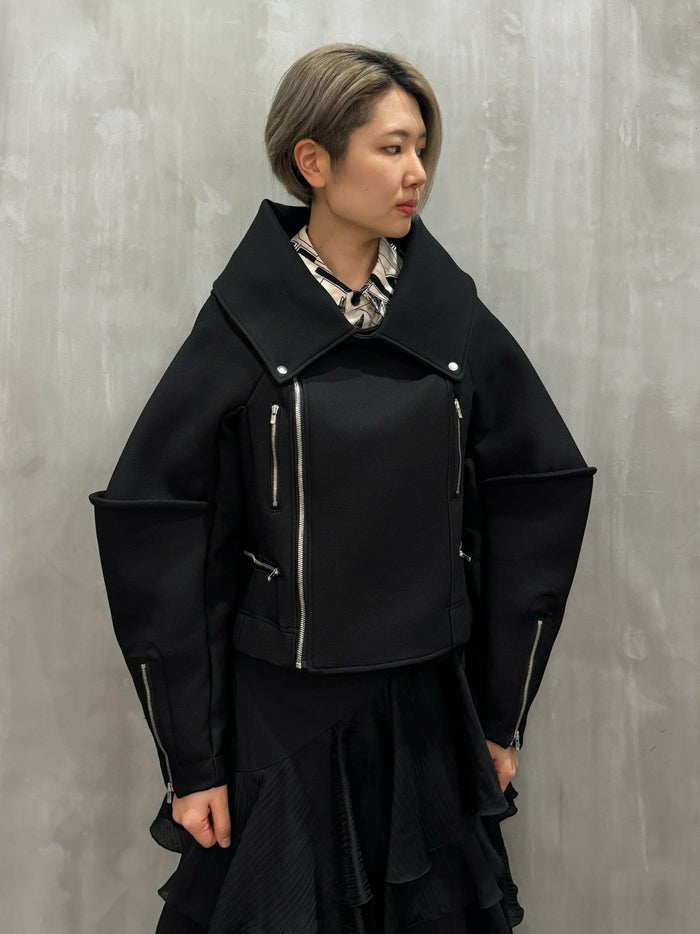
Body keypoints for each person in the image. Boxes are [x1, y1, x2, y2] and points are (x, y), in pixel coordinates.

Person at [89, 44, 595, 934]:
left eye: (422, 148)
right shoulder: (245, 326)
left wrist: (499, 714)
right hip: (282, 722)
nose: (417, 173)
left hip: (428, 714)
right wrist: (194, 762)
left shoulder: (450, 319)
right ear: (314, 162)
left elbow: (537, 490)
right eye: (392, 148)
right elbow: (160, 531)